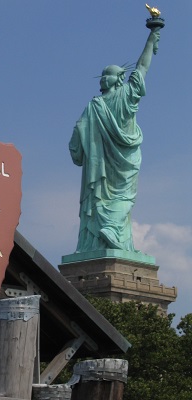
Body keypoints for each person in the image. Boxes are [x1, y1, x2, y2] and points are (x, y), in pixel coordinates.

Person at [69, 28, 160, 252]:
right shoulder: (106, 101)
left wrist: (151, 38)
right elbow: (142, 68)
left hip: (108, 162)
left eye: (106, 74)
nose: (102, 78)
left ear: (116, 79)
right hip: (121, 159)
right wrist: (152, 37)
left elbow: (77, 134)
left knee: (110, 197)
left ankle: (107, 235)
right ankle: (111, 231)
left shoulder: (97, 105)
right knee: (123, 197)